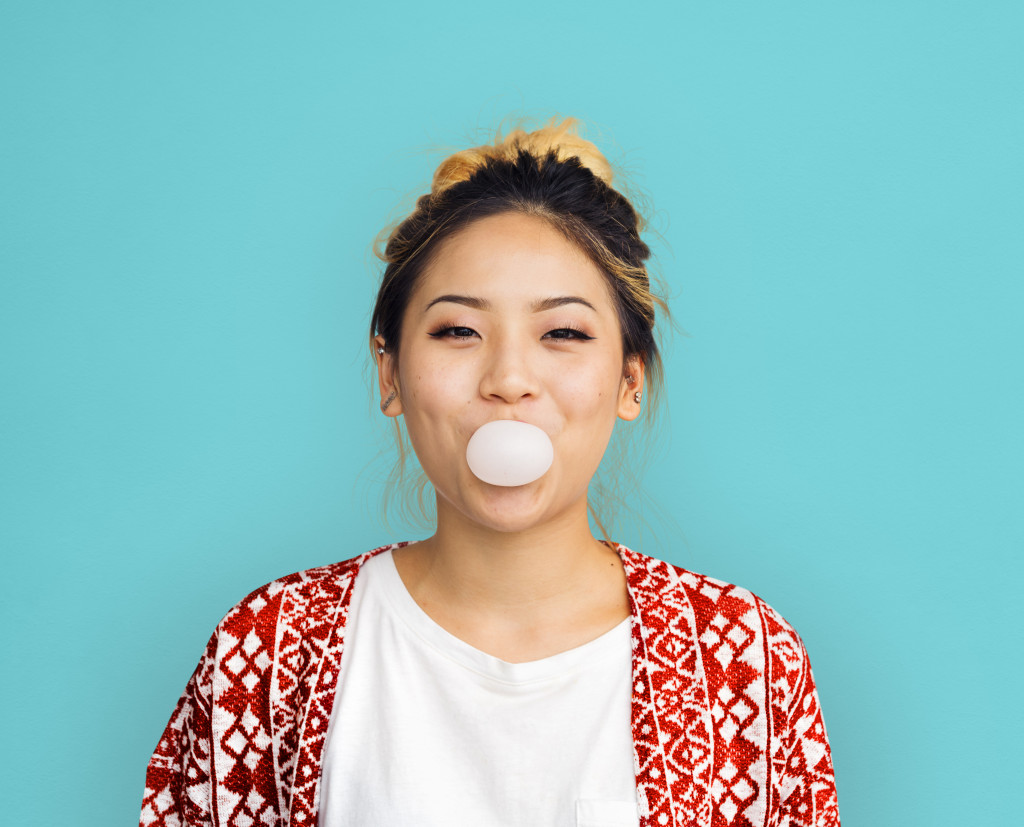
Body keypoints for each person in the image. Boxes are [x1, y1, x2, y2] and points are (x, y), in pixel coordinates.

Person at [140, 118, 839, 827]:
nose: (509, 379)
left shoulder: (745, 660)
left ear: (630, 378)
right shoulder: (272, 649)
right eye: (458, 331)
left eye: (562, 333)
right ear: (390, 373)